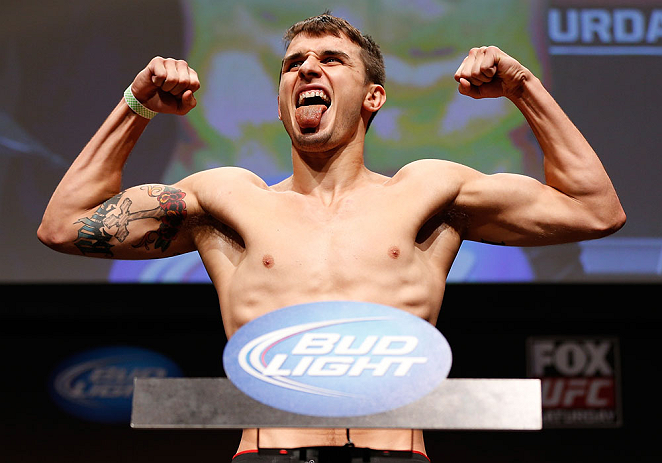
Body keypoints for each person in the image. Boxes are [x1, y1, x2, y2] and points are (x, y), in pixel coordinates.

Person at [38, 12, 625, 463]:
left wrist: (523, 86)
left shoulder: (428, 195)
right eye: (294, 63)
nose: (307, 69)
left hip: (395, 453)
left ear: (373, 97)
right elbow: (64, 224)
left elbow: (595, 211)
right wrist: (136, 106)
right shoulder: (229, 201)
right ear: (281, 99)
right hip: (269, 453)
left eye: (331, 60)